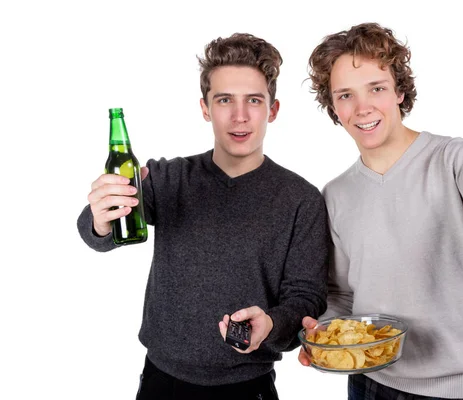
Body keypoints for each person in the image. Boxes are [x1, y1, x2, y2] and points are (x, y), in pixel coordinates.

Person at [298, 22, 463, 400]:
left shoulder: (457, 160)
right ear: (333, 106)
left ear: (399, 91)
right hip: (370, 383)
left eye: (377, 88)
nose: (362, 107)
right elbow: (344, 295)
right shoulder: (334, 194)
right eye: (346, 94)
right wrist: (326, 333)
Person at [77, 32, 329, 400]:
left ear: (272, 110)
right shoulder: (168, 178)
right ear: (205, 108)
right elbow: (97, 231)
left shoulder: (301, 199)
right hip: (161, 381)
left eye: (254, 101)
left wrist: (272, 324)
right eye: (225, 99)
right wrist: (100, 218)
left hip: (249, 386)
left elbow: (307, 298)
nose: (240, 116)